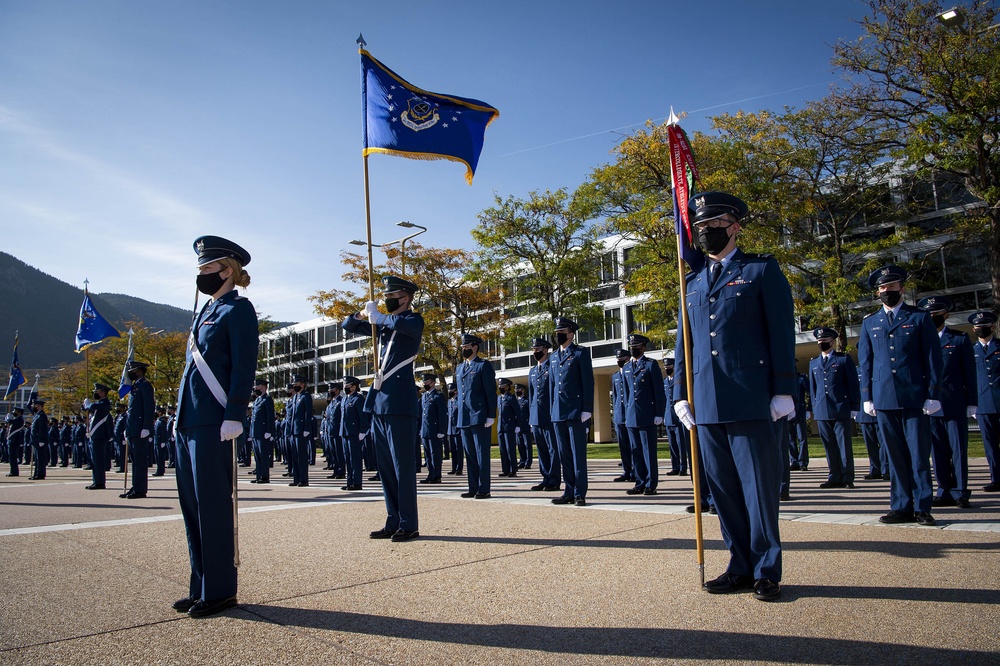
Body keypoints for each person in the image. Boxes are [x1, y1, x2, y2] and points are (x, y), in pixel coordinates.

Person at [672, 191, 795, 601]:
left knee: (758, 489)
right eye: (701, 226)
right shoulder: (691, 282)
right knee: (723, 491)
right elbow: (684, 344)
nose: (706, 232)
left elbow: (780, 333)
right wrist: (679, 394)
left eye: (714, 224)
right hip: (705, 400)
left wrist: (783, 390)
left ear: (735, 225)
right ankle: (739, 565)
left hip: (751, 397)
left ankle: (766, 569)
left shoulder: (761, 271)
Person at [172, 235, 258, 618]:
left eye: (208, 268)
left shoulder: (238, 310)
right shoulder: (204, 312)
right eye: (201, 269)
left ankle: (221, 589)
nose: (202, 274)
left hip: (214, 420)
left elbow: (243, 365)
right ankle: (201, 585)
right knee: (193, 509)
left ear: (229, 270)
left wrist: (235, 412)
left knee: (212, 508)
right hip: (189, 420)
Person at [858, 265, 943, 526]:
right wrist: (867, 397)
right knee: (894, 455)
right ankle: (901, 506)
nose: (887, 292)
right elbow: (866, 361)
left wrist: (932, 393)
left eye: (892, 287)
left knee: (918, 454)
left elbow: (932, 358)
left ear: (902, 289)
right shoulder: (870, 322)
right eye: (882, 288)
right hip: (883, 397)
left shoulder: (919, 318)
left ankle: (923, 507)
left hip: (914, 395)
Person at [343, 275, 425, 542]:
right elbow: (349, 326)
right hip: (379, 403)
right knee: (386, 467)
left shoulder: (412, 320)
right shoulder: (383, 326)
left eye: (391, 297)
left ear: (405, 298)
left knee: (402, 467)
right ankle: (393, 519)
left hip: (400, 403)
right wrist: (362, 312)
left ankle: (408, 522)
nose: (386, 300)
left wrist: (379, 317)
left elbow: (400, 323)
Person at [917, 297, 976, 508]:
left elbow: (970, 373)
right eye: (929, 314)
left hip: (954, 403)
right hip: (930, 406)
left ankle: (961, 492)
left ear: (946, 314)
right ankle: (944, 491)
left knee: (958, 450)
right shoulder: (921, 341)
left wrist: (972, 402)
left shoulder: (959, 339)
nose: (933, 318)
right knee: (938, 451)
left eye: (937, 314)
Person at [807, 327, 860, 489]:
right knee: (829, 445)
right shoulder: (814, 362)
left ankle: (847, 476)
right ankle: (834, 475)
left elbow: (853, 384)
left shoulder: (843, 360)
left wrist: (854, 406)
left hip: (840, 407)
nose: (822, 344)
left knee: (843, 445)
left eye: (825, 341)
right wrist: (813, 407)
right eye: (819, 342)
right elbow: (813, 388)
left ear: (833, 341)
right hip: (822, 409)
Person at [549, 317, 594, 507]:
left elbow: (587, 382)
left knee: (577, 454)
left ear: (571, 334)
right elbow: (552, 386)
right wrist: (552, 410)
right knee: (564, 454)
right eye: (557, 332)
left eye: (562, 332)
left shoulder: (580, 353)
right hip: (558, 412)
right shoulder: (553, 357)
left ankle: (579, 493)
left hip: (576, 412)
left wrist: (587, 409)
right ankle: (568, 490)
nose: (558, 335)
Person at [623, 333, 666, 496]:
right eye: (632, 347)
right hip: (632, 416)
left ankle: (650, 483)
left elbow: (658, 391)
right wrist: (627, 414)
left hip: (648, 415)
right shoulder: (627, 367)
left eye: (637, 347)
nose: (634, 349)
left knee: (648, 451)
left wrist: (659, 413)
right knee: (636, 451)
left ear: (643, 347)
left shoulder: (650, 365)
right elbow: (627, 395)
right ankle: (639, 482)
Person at [455, 333, 497, 499]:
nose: (464, 350)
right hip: (464, 417)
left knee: (482, 454)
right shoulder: (460, 368)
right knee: (470, 455)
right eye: (463, 347)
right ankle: (472, 487)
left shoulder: (482, 366)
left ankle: (484, 488)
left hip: (479, 415)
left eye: (467, 347)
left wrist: (490, 415)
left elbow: (490, 392)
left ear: (475, 347)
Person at [969, 311, 1000, 493]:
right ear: (973, 329)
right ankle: (996, 479)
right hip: (984, 404)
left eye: (985, 326)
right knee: (990, 444)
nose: (981, 329)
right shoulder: (971, 351)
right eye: (978, 327)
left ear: (993, 327)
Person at [527, 337, 560, 492]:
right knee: (541, 450)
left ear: (545, 350)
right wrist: (531, 417)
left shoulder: (552, 367)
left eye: (538, 350)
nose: (535, 353)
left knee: (553, 449)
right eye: (534, 350)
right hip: (536, 416)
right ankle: (545, 477)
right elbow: (531, 395)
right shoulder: (533, 371)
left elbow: (554, 392)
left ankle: (554, 479)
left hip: (549, 415)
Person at [121, 360, 154, 499]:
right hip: (133, 428)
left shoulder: (145, 385)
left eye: (133, 371)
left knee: (140, 461)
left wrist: (147, 427)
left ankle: (140, 489)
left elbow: (149, 407)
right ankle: (135, 487)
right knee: (135, 461)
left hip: (141, 429)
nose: (131, 373)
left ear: (140, 371)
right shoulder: (135, 386)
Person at [854, 367, 888, 480]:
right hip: (864, 413)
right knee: (870, 444)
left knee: (884, 443)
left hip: (880, 410)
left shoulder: (879, 368)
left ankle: (886, 469)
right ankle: (874, 469)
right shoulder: (858, 370)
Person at [610, 348, 636, 484]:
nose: (620, 361)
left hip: (631, 413)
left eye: (623, 359)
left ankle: (636, 472)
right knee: (623, 446)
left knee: (634, 445)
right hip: (620, 415)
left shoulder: (632, 372)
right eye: (618, 360)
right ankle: (626, 471)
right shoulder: (615, 376)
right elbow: (615, 397)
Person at [339, 375, 369, 490]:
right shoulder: (345, 399)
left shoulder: (358, 398)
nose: (345, 387)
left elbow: (363, 416)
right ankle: (349, 481)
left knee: (355, 459)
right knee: (348, 458)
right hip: (345, 433)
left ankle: (357, 482)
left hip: (354, 433)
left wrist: (362, 430)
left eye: (347, 385)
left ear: (354, 386)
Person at [83, 383, 113, 489]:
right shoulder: (98, 404)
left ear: (103, 392)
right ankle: (96, 480)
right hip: (94, 436)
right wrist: (86, 405)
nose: (96, 394)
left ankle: (100, 482)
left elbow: (93, 406)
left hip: (100, 436)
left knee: (98, 460)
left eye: (98, 392)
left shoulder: (105, 403)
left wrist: (88, 405)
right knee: (94, 460)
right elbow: (86, 409)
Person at [419, 373, 447, 484]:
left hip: (435, 430)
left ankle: (437, 475)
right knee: (427, 454)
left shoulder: (438, 396)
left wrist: (441, 430)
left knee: (435, 453)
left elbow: (442, 415)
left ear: (433, 382)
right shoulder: (424, 396)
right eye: (424, 383)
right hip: (425, 430)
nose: (425, 384)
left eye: (427, 382)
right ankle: (430, 474)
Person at [663, 358, 689, 477]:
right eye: (666, 367)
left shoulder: (679, 381)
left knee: (681, 444)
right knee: (672, 445)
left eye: (669, 367)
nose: (667, 369)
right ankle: (675, 467)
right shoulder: (664, 382)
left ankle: (683, 467)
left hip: (678, 418)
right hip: (668, 417)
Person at [288, 374, 313, 487]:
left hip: (301, 429)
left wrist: (307, 428)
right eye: (294, 384)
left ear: (302, 384)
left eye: (296, 384)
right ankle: (296, 478)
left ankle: (303, 479)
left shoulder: (305, 396)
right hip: (294, 430)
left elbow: (308, 413)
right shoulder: (296, 397)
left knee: (301, 455)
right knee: (295, 455)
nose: (295, 386)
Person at [250, 378, 275, 484]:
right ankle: (259, 475)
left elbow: (270, 417)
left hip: (263, 432)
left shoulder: (267, 399)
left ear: (264, 387)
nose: (255, 389)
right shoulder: (257, 400)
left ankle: (264, 476)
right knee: (257, 456)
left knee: (263, 455)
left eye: (257, 387)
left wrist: (269, 431)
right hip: (256, 432)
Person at [496, 377, 521, 478]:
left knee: (510, 449)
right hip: (501, 427)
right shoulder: (499, 398)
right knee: (502, 449)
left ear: (507, 387)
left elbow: (518, 413)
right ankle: (505, 469)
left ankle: (513, 470)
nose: (500, 387)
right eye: (499, 386)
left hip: (509, 427)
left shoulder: (511, 398)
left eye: (502, 386)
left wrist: (518, 425)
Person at [29, 398, 50, 480]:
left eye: (35, 405)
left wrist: (41, 439)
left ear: (39, 406)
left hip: (40, 440)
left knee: (40, 458)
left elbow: (42, 429)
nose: (34, 406)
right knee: (37, 458)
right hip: (36, 440)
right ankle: (36, 473)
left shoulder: (42, 416)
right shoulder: (37, 415)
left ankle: (40, 474)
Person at [446, 383, 463, 476]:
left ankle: (459, 468)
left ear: (456, 391)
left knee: (458, 450)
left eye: (451, 391)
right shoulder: (450, 402)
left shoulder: (459, 401)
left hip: (457, 429)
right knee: (452, 450)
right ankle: (454, 468)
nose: (450, 392)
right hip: (450, 430)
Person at [514, 384, 532, 469]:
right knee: (520, 445)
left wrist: (531, 424)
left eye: (518, 389)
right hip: (518, 427)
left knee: (527, 445)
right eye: (516, 389)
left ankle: (528, 462)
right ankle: (522, 461)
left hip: (526, 425)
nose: (517, 391)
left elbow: (530, 413)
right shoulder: (515, 401)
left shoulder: (527, 401)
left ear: (523, 390)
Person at [5, 407, 24, 477]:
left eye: (15, 411)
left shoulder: (20, 419)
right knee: (11, 457)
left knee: (13, 457)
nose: (13, 412)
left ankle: (14, 471)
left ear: (19, 412)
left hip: (14, 441)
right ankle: (13, 471)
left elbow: (11, 422)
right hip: (12, 440)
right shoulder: (16, 419)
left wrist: (8, 418)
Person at [152, 406, 169, 477]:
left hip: (160, 441)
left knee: (160, 457)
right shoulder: (158, 420)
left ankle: (160, 471)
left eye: (157, 411)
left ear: (160, 412)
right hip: (156, 441)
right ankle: (159, 470)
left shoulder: (162, 421)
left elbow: (163, 432)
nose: (156, 412)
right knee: (157, 457)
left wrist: (163, 441)